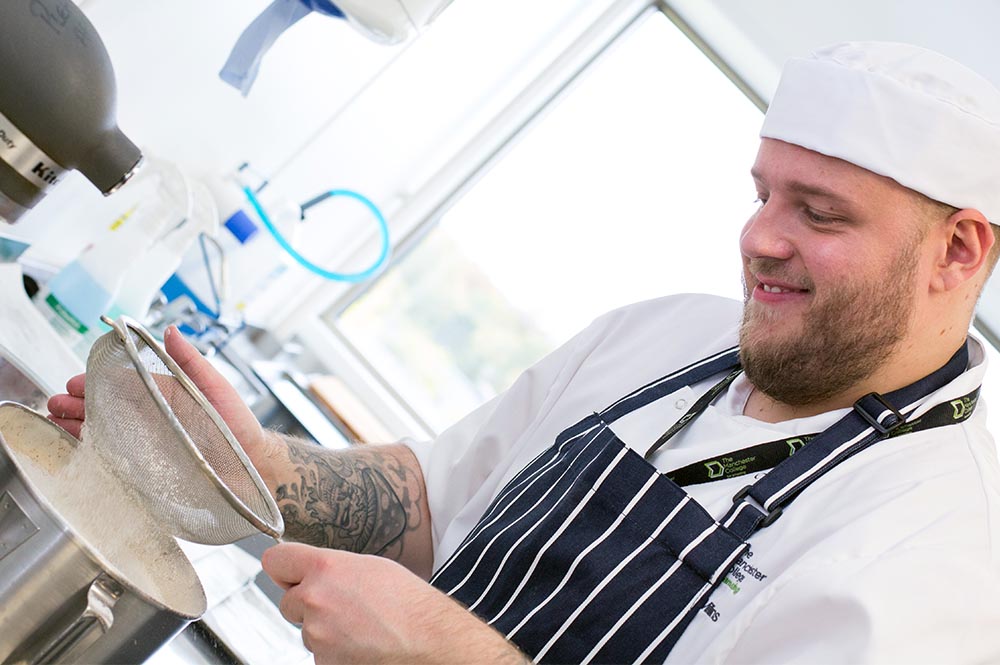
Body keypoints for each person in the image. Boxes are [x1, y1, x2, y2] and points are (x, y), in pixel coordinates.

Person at [49, 41, 1000, 663]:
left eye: (818, 213)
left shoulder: (940, 565)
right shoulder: (665, 335)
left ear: (958, 250)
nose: (759, 238)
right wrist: (257, 468)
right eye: (764, 194)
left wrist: (447, 654)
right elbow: (432, 501)